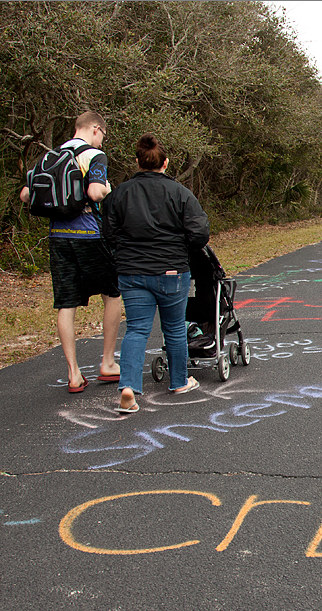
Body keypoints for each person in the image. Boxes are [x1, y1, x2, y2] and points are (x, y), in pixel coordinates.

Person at [103, 133, 210, 413]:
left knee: (137, 329)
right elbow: (199, 234)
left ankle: (128, 386)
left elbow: (108, 233)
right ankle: (178, 381)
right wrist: (181, 246)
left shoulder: (119, 194)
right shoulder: (180, 193)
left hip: (132, 271)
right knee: (174, 328)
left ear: (137, 162)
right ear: (165, 162)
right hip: (171, 270)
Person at [20, 111, 121, 393]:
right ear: (96, 129)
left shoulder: (49, 156)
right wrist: (106, 189)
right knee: (112, 292)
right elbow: (96, 192)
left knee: (66, 303)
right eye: (103, 136)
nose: (102, 142)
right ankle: (108, 362)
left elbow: (26, 195)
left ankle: (73, 372)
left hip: (58, 237)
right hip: (90, 234)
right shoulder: (93, 156)